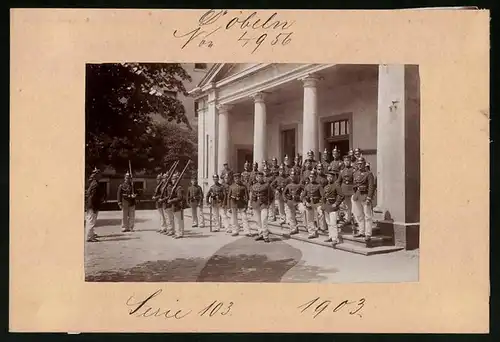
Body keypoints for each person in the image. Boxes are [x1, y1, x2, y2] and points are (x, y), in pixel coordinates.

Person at [352, 157, 376, 241]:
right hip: (357, 196)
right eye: (358, 164)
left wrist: (369, 197)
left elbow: (371, 187)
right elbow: (354, 184)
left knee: (368, 216)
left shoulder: (369, 174)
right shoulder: (355, 173)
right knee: (359, 215)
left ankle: (368, 234)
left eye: (361, 163)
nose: (360, 165)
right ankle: (361, 231)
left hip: (365, 196)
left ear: (364, 164)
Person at [322, 171, 345, 246]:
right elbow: (323, 197)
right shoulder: (325, 187)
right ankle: (330, 236)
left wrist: (336, 203)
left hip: (333, 206)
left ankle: (335, 239)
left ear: (334, 178)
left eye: (331, 177)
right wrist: (323, 206)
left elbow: (342, 195)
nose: (329, 178)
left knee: (333, 223)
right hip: (327, 206)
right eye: (328, 177)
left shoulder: (336, 186)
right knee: (328, 223)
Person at [250, 171, 274, 242]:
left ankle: (265, 236)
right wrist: (250, 204)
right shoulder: (254, 186)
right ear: (256, 178)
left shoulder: (267, 185)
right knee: (257, 220)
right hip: (255, 204)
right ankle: (260, 234)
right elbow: (251, 195)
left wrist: (269, 204)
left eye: (261, 177)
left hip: (264, 204)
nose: (259, 178)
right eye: (258, 177)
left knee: (264, 220)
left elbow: (271, 196)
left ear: (263, 177)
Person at [301, 170, 324, 239]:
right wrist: (305, 202)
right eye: (310, 177)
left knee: (321, 212)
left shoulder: (319, 186)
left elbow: (323, 196)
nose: (312, 178)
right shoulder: (307, 186)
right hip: (309, 203)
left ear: (315, 177)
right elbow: (302, 196)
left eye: (313, 177)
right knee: (309, 218)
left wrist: (321, 204)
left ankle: (321, 227)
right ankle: (312, 232)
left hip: (317, 203)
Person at [335, 154, 355, 231]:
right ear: (343, 161)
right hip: (344, 190)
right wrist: (338, 189)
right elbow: (338, 181)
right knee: (346, 206)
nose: (347, 162)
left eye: (348, 160)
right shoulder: (342, 171)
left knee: (353, 205)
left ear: (350, 161)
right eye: (345, 161)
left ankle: (354, 219)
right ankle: (348, 219)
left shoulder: (353, 170)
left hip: (352, 189)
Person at [282, 169, 303, 237]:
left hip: (298, 202)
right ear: (290, 176)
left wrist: (303, 198)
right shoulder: (288, 186)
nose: (293, 176)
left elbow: (306, 191)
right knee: (290, 215)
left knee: (303, 210)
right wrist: (285, 199)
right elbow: (283, 193)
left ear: (296, 176)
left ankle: (305, 225)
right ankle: (293, 228)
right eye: (291, 175)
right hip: (290, 202)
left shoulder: (299, 185)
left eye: (294, 174)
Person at [85, 167, 104, 242]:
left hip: (91, 205)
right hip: (92, 205)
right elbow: (92, 197)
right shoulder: (95, 184)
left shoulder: (93, 183)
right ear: (96, 175)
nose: (101, 176)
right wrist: (94, 207)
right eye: (99, 174)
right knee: (91, 221)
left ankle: (91, 235)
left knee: (91, 220)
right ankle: (89, 237)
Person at [166, 172, 186, 239]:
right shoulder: (174, 188)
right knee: (176, 220)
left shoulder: (179, 188)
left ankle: (179, 233)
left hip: (178, 205)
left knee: (178, 220)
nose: (173, 180)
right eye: (172, 179)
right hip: (174, 205)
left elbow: (179, 197)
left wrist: (171, 201)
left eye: (175, 179)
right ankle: (177, 232)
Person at [315, 163, 328, 232]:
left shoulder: (326, 178)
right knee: (318, 212)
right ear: (316, 170)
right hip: (317, 197)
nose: (320, 170)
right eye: (319, 169)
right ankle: (320, 226)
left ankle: (323, 226)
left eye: (321, 169)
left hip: (325, 196)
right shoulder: (315, 178)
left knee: (324, 212)